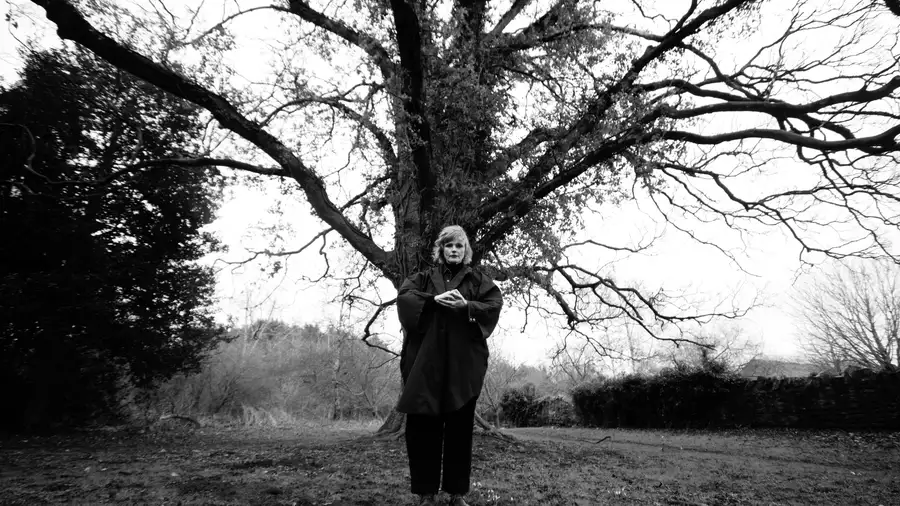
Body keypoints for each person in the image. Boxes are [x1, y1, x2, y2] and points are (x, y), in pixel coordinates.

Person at [396, 225, 504, 506]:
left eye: (459, 246)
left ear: (465, 250)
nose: (454, 250)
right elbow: (405, 298)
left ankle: (457, 494)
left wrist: (467, 306)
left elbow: (493, 305)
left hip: (462, 369)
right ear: (441, 249)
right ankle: (426, 493)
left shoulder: (478, 281)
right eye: (449, 246)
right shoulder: (422, 278)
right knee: (423, 431)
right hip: (425, 368)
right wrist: (433, 301)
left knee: (459, 431)